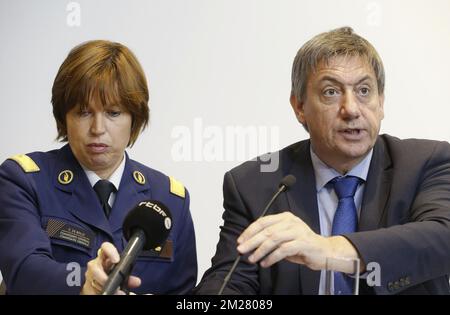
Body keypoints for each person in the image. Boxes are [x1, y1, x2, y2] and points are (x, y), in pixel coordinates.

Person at [194, 27, 450, 295]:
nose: (351, 109)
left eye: (364, 90)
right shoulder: (255, 186)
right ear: (299, 107)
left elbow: (442, 238)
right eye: (331, 92)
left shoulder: (425, 163)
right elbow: (229, 281)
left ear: (381, 102)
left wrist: (327, 249)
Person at [0, 40, 197, 294]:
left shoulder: (170, 198)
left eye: (113, 113)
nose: (98, 129)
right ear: (63, 117)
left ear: (134, 118)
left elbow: (184, 293)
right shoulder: (23, 180)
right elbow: (24, 271)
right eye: (83, 112)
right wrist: (85, 283)